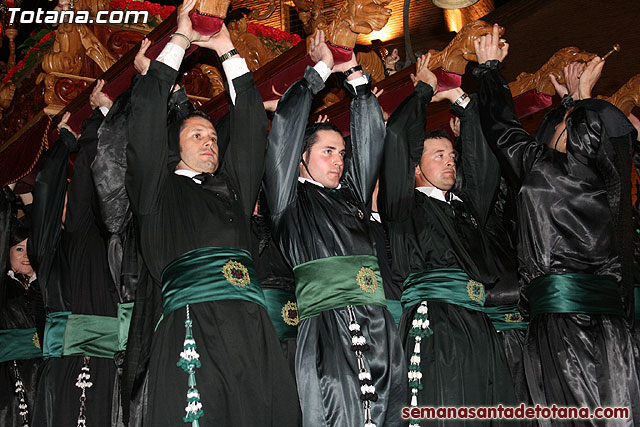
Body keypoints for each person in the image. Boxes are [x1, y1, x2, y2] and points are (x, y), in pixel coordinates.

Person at [125, 1, 298, 425]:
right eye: (196, 134)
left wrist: (225, 46)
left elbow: (252, 124)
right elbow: (145, 117)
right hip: (191, 330)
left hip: (252, 330)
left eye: (213, 137)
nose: (209, 142)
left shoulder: (233, 192)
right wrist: (180, 39)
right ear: (174, 148)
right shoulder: (156, 193)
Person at [474, 24, 640, 425]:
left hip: (563, 330)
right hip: (611, 329)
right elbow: (596, 133)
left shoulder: (546, 171)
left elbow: (503, 129)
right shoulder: (610, 184)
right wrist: (578, 99)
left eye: (564, 124)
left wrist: (490, 69)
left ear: (573, 138)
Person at [263, 29, 406, 427]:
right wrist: (320, 70)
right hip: (327, 329)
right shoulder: (287, 202)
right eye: (328, 152)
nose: (339, 160)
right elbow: (284, 135)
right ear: (302, 160)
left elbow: (371, 141)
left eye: (341, 153)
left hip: (379, 323)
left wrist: (355, 76)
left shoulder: (352, 196)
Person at [379, 53, 516, 424]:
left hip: (479, 323)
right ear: (415, 168)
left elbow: (483, 161)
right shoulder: (402, 205)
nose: (450, 161)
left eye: (451, 154)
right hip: (435, 325)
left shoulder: (468, 207)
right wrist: (423, 91)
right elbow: (394, 139)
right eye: (438, 155)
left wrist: (463, 103)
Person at [0, 186, 44, 427]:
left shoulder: (47, 285)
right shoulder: (5, 285)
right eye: (18, 249)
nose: (26, 255)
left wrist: (30, 200)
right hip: (11, 379)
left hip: (45, 376)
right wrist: (8, 195)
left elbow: (50, 235)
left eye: (29, 249)